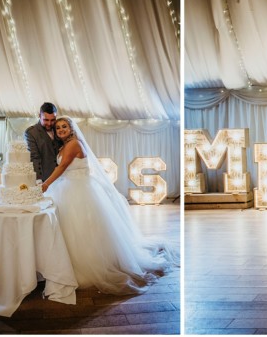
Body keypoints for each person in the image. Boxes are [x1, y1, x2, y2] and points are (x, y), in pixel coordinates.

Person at [41, 116, 178, 295]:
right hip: (69, 187)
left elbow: (62, 167)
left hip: (79, 189)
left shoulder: (74, 144)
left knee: (81, 230)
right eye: (58, 128)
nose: (60, 130)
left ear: (71, 128)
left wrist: (45, 185)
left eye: (64, 126)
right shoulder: (64, 145)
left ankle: (86, 264)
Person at [25, 102, 63, 181]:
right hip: (45, 179)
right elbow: (34, 158)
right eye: (46, 120)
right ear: (39, 116)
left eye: (53, 120)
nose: (49, 123)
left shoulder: (60, 129)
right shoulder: (31, 132)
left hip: (62, 177)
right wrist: (38, 180)